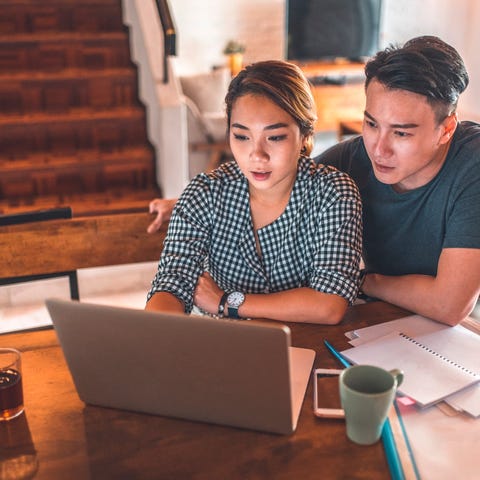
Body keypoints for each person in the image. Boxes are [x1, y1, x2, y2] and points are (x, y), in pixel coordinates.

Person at [147, 36, 480, 327]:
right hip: (385, 317)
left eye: (402, 133)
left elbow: (449, 305)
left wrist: (356, 282)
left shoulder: (472, 164)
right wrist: (189, 204)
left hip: (454, 328)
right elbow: (281, 180)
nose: (378, 149)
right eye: (371, 123)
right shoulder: (351, 159)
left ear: (446, 129)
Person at [146, 60, 362, 324]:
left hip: (310, 346)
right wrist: (155, 336)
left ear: (305, 134)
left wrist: (227, 302)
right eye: (241, 136)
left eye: (275, 137)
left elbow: (329, 304)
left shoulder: (333, 193)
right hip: (229, 347)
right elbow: (172, 283)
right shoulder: (204, 194)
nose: (256, 155)